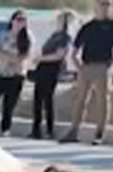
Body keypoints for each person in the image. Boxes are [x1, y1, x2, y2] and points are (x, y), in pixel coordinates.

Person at [63, 0, 113, 144]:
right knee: (80, 100)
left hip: (102, 65)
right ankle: (74, 130)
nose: (104, 7)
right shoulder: (87, 27)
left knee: (102, 101)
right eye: (101, 3)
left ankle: (99, 133)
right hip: (86, 65)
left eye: (107, 4)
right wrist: (79, 67)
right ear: (95, 6)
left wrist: (111, 63)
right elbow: (75, 50)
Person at [0, 9, 30, 137]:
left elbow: (25, 56)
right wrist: (10, 57)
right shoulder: (2, 35)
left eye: (23, 20)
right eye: (18, 19)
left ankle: (5, 128)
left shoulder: (28, 38)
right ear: (12, 21)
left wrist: (11, 57)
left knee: (9, 104)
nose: (20, 22)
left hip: (16, 75)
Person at [30, 11, 74, 139]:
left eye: (62, 20)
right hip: (42, 69)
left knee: (47, 99)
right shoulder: (54, 35)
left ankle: (50, 129)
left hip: (52, 69)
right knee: (37, 98)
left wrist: (41, 58)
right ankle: (36, 129)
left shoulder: (65, 37)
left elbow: (58, 55)